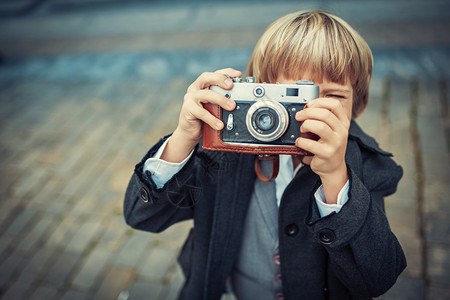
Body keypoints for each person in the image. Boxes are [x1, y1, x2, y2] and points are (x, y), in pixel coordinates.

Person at [124, 10, 406, 300]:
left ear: (355, 103)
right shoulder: (224, 153)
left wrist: (336, 179)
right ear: (261, 89)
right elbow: (142, 217)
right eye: (294, 93)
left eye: (332, 97)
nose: (313, 111)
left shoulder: (363, 163)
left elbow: (378, 278)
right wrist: (183, 139)